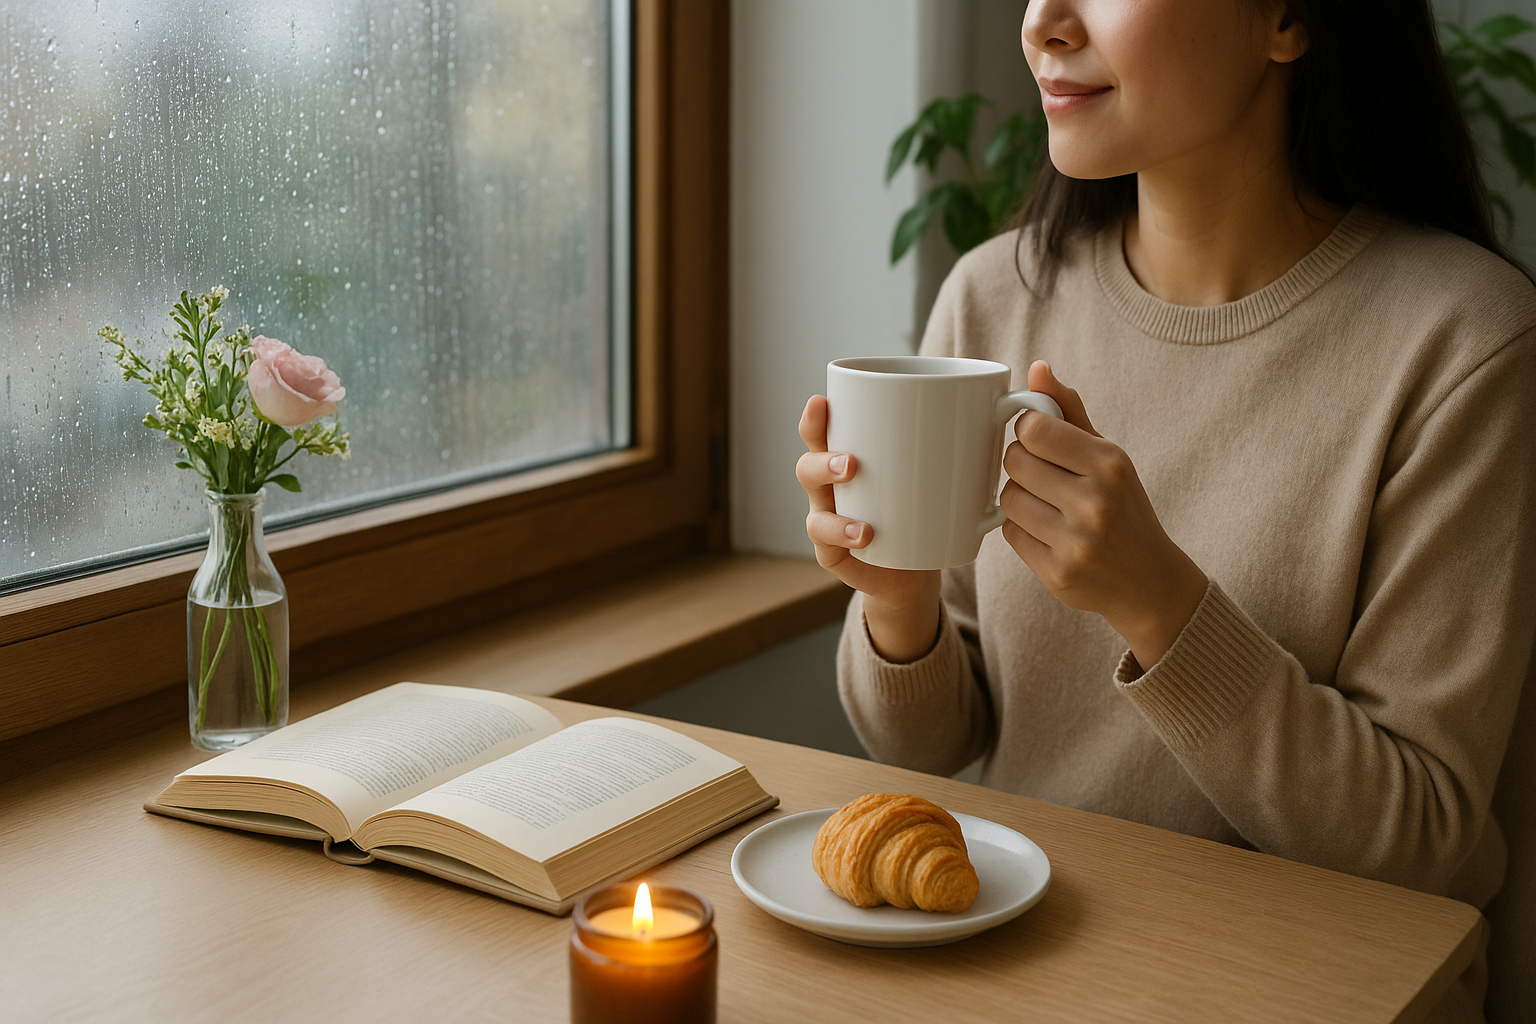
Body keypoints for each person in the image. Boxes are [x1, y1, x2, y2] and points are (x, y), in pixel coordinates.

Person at [796, 1, 1536, 1021]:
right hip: (1027, 974)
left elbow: (1419, 838)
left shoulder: (1467, 342)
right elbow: (927, 747)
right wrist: (898, 605)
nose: (1042, 24)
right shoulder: (991, 298)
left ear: (1286, 19)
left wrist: (1160, 603)